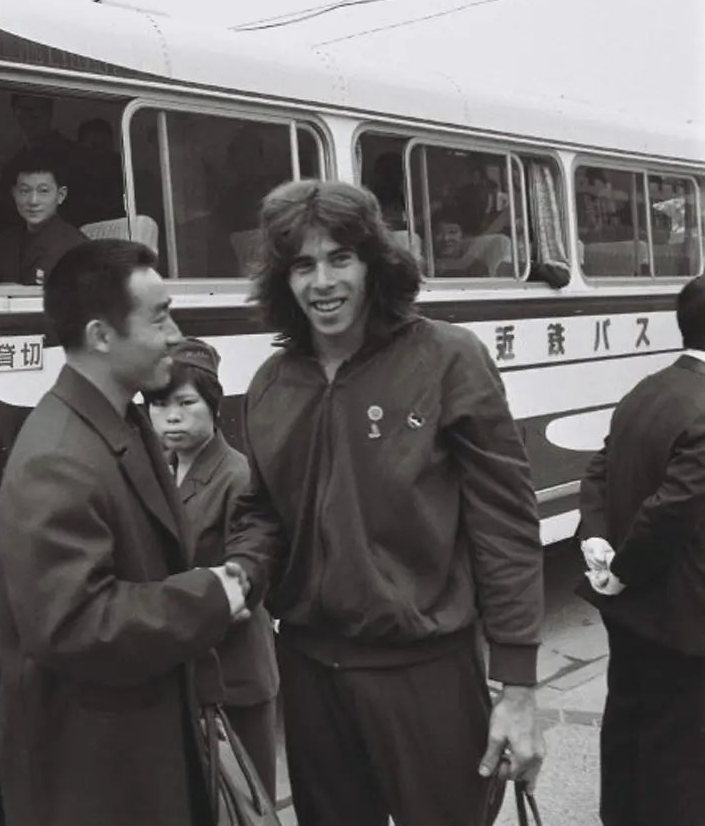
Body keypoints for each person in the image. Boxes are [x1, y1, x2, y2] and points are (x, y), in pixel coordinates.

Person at [227, 180, 546, 826]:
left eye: (340, 258)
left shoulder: (448, 359)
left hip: (425, 673)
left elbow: (505, 526)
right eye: (303, 265)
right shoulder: (270, 384)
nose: (323, 282)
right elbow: (263, 513)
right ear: (282, 280)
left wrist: (517, 688)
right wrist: (237, 576)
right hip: (312, 671)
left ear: (375, 261)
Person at [0, 239, 252, 826]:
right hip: (98, 778)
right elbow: (77, 623)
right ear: (102, 336)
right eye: (159, 317)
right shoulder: (57, 458)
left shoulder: (116, 421)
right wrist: (211, 595)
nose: (173, 334)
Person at [575, 273, 705, 826]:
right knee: (680, 753)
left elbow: (600, 468)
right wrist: (622, 569)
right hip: (683, 614)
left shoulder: (646, 389)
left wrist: (597, 540)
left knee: (626, 722)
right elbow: (672, 508)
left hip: (628, 613)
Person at [145, 336, 280, 795]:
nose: (172, 416)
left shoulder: (236, 476)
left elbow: (244, 593)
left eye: (186, 402)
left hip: (233, 677)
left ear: (214, 406)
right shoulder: (161, 470)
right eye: (160, 405)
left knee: (246, 802)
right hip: (185, 673)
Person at [0, 93, 93, 232]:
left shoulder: (77, 158)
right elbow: (2, 217)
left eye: (36, 110)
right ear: (15, 112)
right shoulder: (12, 166)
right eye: (23, 109)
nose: (30, 116)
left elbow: (84, 209)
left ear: (49, 112)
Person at [0, 148, 88, 286]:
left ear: (60, 196)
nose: (33, 201)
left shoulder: (76, 248)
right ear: (14, 194)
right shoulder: (4, 243)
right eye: (25, 191)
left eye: (43, 191)